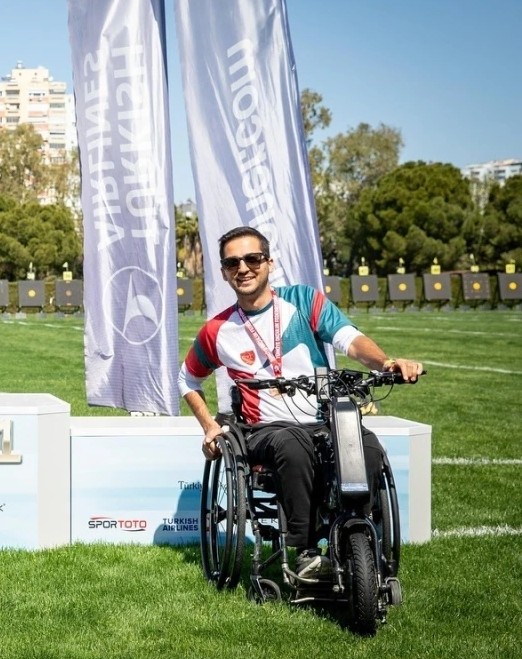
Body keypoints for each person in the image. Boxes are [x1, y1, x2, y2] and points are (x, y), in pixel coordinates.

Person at [179, 226, 423, 578]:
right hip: (264, 432)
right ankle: (306, 550)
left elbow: (350, 339)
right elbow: (186, 379)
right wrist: (210, 426)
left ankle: (354, 534)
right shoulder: (217, 329)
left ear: (269, 263)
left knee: (368, 449)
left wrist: (385, 363)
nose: (243, 268)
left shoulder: (304, 301)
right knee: (292, 443)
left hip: (322, 423)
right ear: (224, 272)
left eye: (252, 259)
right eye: (233, 263)